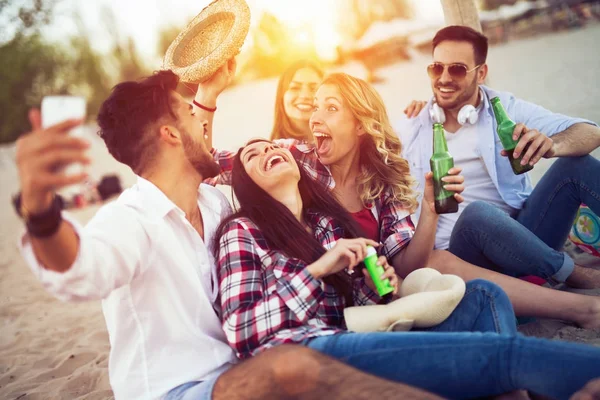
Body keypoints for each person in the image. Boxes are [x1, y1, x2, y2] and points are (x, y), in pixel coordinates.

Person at [14, 67, 445, 400]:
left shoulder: (216, 205)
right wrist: (41, 211)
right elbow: (79, 268)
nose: (204, 127)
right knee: (294, 366)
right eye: (189, 115)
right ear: (169, 134)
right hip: (181, 389)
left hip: (241, 369)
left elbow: (258, 182)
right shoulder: (129, 220)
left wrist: (208, 94)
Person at [209, 71, 600, 328]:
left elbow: (407, 264)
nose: (315, 117)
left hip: (385, 285)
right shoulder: (297, 159)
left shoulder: (383, 181)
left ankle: (572, 301)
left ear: (360, 124)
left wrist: (429, 211)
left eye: (331, 108)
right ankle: (575, 299)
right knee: (443, 261)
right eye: (315, 108)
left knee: (444, 251)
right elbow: (213, 162)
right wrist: (205, 98)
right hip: (331, 300)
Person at [215, 139, 600, 400]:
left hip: (351, 334)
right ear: (246, 184)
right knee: (506, 355)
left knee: (485, 296)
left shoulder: (324, 224)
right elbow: (243, 331)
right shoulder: (242, 230)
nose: (266, 150)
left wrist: (372, 284)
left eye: (269, 145)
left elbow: (354, 310)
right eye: (252, 156)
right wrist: (319, 268)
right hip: (309, 352)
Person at [394, 25, 600, 327]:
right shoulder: (411, 124)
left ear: (481, 72)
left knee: (575, 167)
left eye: (458, 69)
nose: (444, 78)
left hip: (525, 238)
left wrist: (553, 145)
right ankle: (574, 274)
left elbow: (590, 132)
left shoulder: (505, 108)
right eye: (436, 67)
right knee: (477, 215)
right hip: (462, 258)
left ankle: (551, 271)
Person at [270, 60, 324, 142]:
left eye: (314, 89)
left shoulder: (344, 146)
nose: (305, 96)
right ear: (281, 96)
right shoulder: (269, 152)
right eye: (295, 88)